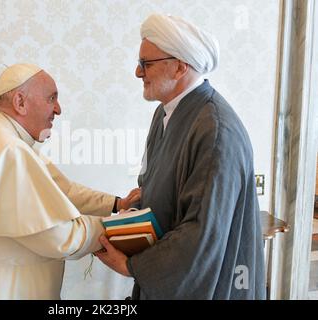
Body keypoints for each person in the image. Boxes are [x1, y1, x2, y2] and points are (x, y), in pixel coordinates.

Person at [0, 63, 140, 299]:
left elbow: (60, 189)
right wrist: (117, 227)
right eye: (51, 98)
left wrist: (117, 204)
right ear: (20, 102)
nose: (58, 109)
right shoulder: (7, 149)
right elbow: (60, 238)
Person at [95, 14, 265, 299]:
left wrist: (131, 267)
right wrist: (131, 213)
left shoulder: (215, 130)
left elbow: (201, 231)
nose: (138, 73)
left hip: (210, 284)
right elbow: (150, 183)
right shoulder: (164, 113)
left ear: (179, 67)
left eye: (145, 64)